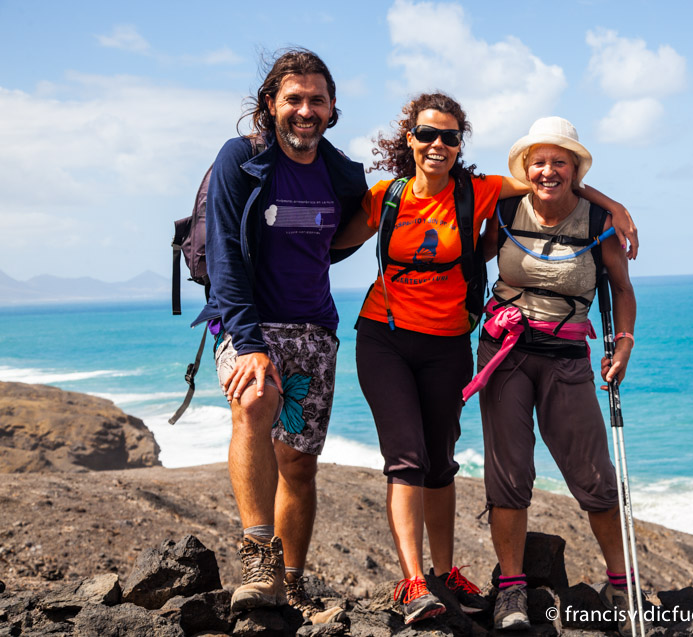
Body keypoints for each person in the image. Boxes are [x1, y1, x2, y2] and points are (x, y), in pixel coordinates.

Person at [332, 95, 637, 625]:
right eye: (428, 134)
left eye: (450, 137)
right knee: (451, 466)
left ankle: (615, 585)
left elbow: (564, 203)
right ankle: (458, 586)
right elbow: (331, 245)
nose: (438, 144)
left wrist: (613, 207)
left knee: (567, 473)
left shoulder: (499, 197)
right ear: (410, 138)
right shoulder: (404, 197)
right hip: (438, 343)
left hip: (500, 347)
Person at [192, 48, 367, 625]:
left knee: (298, 464)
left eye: (317, 99)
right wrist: (248, 342)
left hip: (315, 328)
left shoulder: (343, 173)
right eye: (294, 99)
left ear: (332, 108)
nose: (305, 110)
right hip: (249, 322)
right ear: (271, 104)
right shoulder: (241, 159)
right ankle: (258, 562)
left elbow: (341, 235)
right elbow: (224, 253)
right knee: (254, 400)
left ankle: (290, 583)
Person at [473, 117, 638, 634]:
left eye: (559, 162)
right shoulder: (504, 211)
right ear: (525, 168)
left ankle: (621, 585)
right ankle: (511, 591)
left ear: (575, 170)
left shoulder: (598, 222)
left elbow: (622, 288)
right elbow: (471, 259)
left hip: (566, 357)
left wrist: (624, 343)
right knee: (509, 473)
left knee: (594, 475)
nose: (548, 171)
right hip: (504, 353)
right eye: (539, 162)